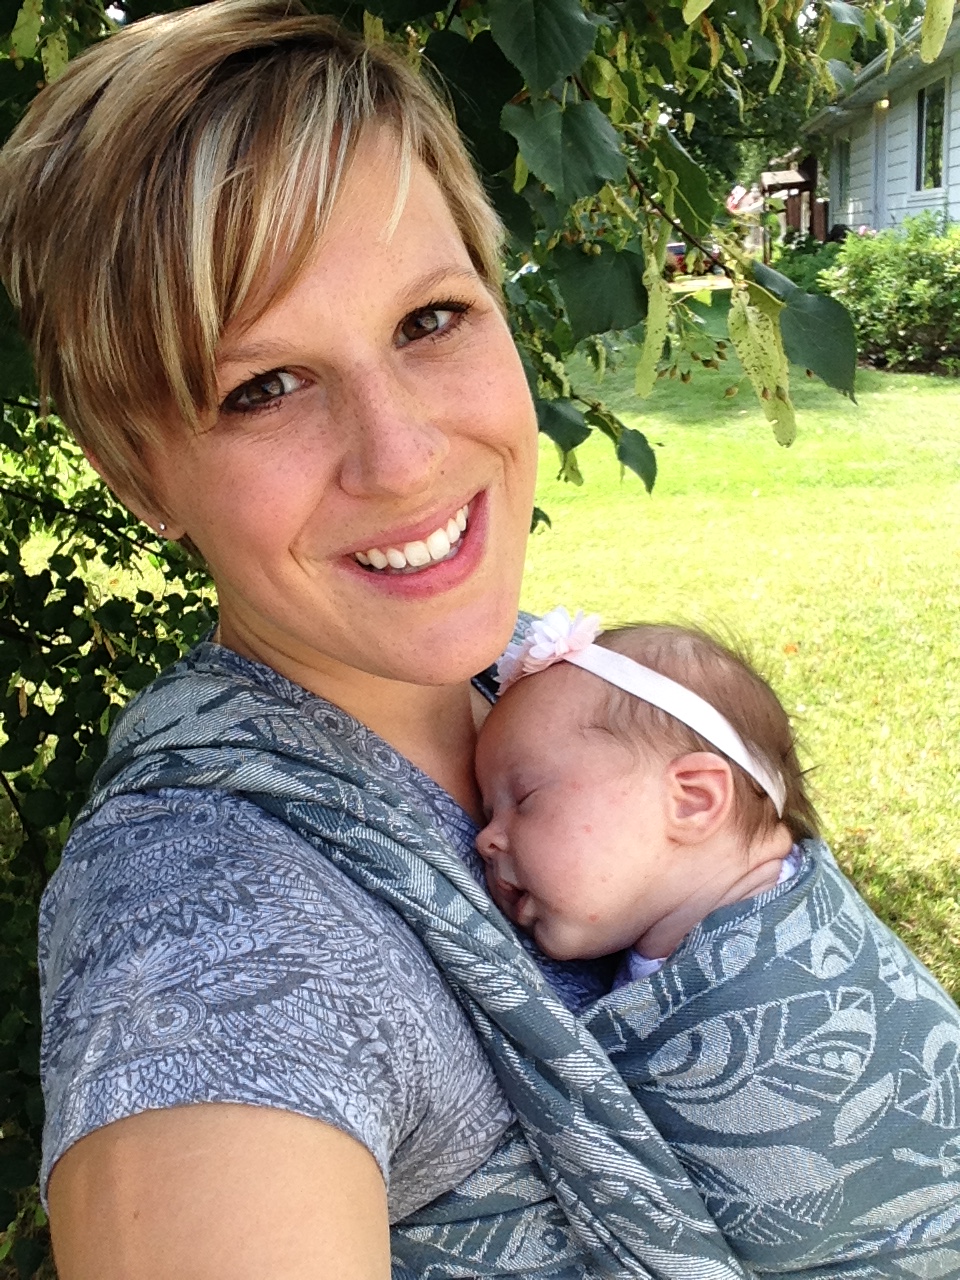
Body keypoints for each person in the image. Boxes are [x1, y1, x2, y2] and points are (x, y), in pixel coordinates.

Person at [0, 4, 756, 1278]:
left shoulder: (559, 681)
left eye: (429, 320)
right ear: (135, 472)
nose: (401, 458)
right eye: (263, 387)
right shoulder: (203, 935)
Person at [475, 609, 960, 1275]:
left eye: (524, 798)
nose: (486, 838)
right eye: (487, 809)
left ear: (694, 800)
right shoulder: (699, 910)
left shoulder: (774, 974)